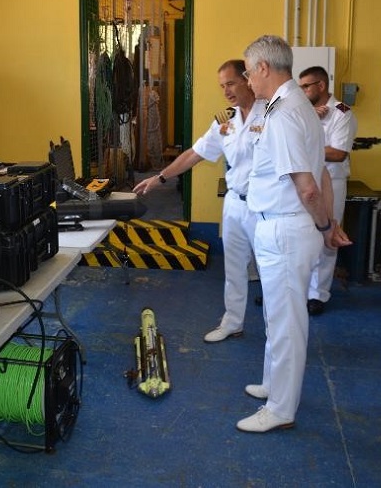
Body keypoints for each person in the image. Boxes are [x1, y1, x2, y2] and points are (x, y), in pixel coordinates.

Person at [236, 35, 349, 433]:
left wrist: (325, 225)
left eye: (248, 72)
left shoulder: (284, 114)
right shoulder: (298, 107)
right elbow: (321, 173)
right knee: (276, 314)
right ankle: (273, 383)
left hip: (285, 227)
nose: (248, 80)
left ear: (263, 68)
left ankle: (281, 408)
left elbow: (309, 187)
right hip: (286, 225)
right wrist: (329, 224)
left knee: (286, 322)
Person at [134, 59, 267, 342]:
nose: (226, 91)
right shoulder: (225, 121)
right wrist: (160, 178)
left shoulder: (271, 114)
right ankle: (232, 322)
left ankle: (276, 331)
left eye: (231, 83)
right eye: (222, 86)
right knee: (234, 269)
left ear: (248, 80)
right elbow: (194, 154)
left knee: (271, 273)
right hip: (235, 204)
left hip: (265, 207)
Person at [298, 66, 358, 316]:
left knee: (327, 237)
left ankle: (317, 294)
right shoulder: (303, 112)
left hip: (331, 183)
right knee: (301, 236)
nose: (302, 91)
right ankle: (297, 290)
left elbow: (338, 153)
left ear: (321, 86)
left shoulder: (342, 113)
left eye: (306, 86)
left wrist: (304, 148)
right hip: (304, 183)